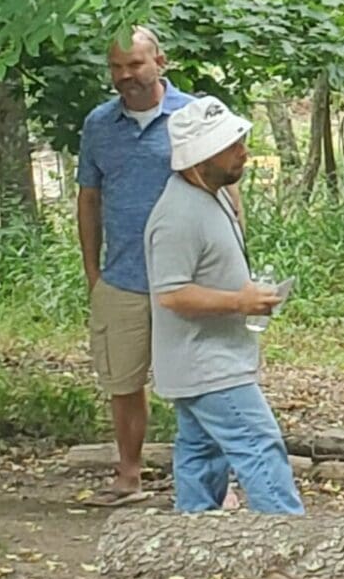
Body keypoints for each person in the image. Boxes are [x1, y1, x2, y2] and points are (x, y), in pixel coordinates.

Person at [144, 96, 305, 515]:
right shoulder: (177, 215)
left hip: (209, 360)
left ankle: (194, 536)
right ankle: (287, 537)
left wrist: (247, 295)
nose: (244, 151)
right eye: (231, 144)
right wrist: (239, 301)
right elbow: (171, 292)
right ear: (202, 155)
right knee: (259, 445)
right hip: (207, 364)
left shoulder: (210, 195)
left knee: (201, 454)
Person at [76, 26, 193, 506]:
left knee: (198, 382)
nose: (126, 76)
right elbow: (88, 198)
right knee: (123, 382)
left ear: (160, 63)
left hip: (188, 278)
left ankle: (208, 482)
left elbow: (228, 190)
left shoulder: (193, 116)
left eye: (135, 65)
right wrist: (93, 275)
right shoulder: (99, 125)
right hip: (122, 277)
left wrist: (232, 262)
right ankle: (128, 475)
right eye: (117, 67)